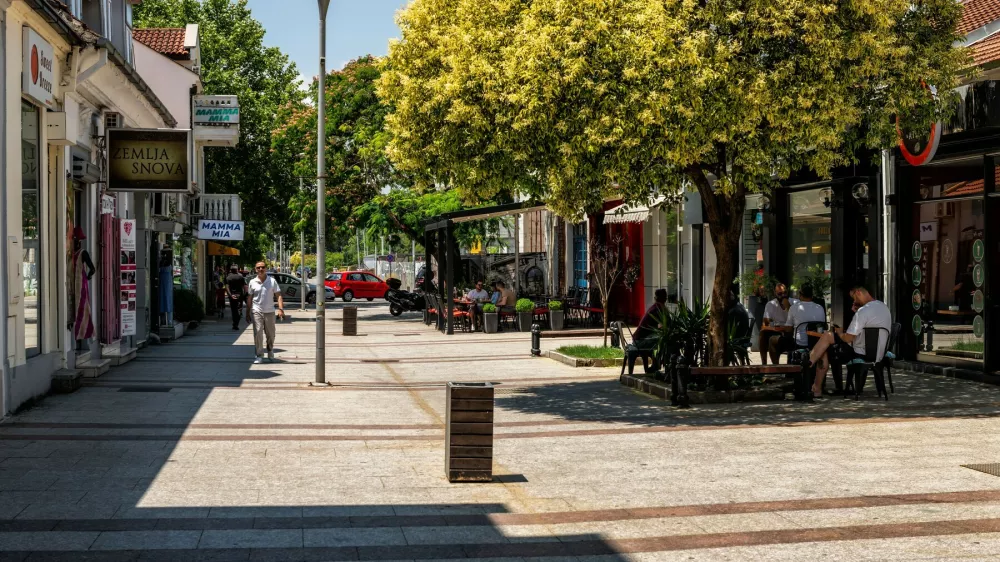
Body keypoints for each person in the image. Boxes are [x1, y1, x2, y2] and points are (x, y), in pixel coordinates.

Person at [808, 284, 891, 397]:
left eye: (854, 298)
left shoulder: (863, 311)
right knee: (827, 341)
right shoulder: (883, 307)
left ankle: (812, 378)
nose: (855, 302)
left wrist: (839, 332)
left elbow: (848, 338)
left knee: (826, 341)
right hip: (878, 353)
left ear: (858, 293)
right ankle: (813, 378)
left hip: (860, 353)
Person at [246, 261, 285, 364]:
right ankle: (259, 355)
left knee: (271, 334)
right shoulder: (252, 282)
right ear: (255, 269)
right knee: (258, 332)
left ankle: (270, 350)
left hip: (270, 311)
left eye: (262, 267)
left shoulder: (272, 281)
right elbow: (249, 298)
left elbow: (278, 295)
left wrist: (281, 309)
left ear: (266, 268)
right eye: (258, 267)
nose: (260, 269)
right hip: (256, 310)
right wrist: (247, 312)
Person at [70, 227, 96, 342]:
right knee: (73, 307)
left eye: (74, 240)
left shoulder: (82, 253)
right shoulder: (70, 254)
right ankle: (76, 332)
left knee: (82, 308)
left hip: (80, 284)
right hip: (71, 285)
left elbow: (92, 268)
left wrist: (88, 276)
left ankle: (82, 333)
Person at [759, 283, 794, 364]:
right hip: (777, 329)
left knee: (773, 340)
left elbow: (796, 320)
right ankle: (764, 364)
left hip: (790, 331)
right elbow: (765, 322)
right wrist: (768, 320)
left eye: (784, 293)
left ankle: (776, 366)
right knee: (762, 334)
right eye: (780, 294)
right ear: (775, 293)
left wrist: (788, 307)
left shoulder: (794, 302)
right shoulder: (771, 304)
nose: (783, 295)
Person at [225, 265, 248, 330]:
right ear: (236, 270)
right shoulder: (241, 276)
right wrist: (244, 294)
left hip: (232, 296)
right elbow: (244, 286)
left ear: (231, 270)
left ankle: (235, 323)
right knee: (239, 309)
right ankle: (237, 322)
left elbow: (227, 287)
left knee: (233, 310)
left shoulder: (228, 277)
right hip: (240, 295)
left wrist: (230, 295)